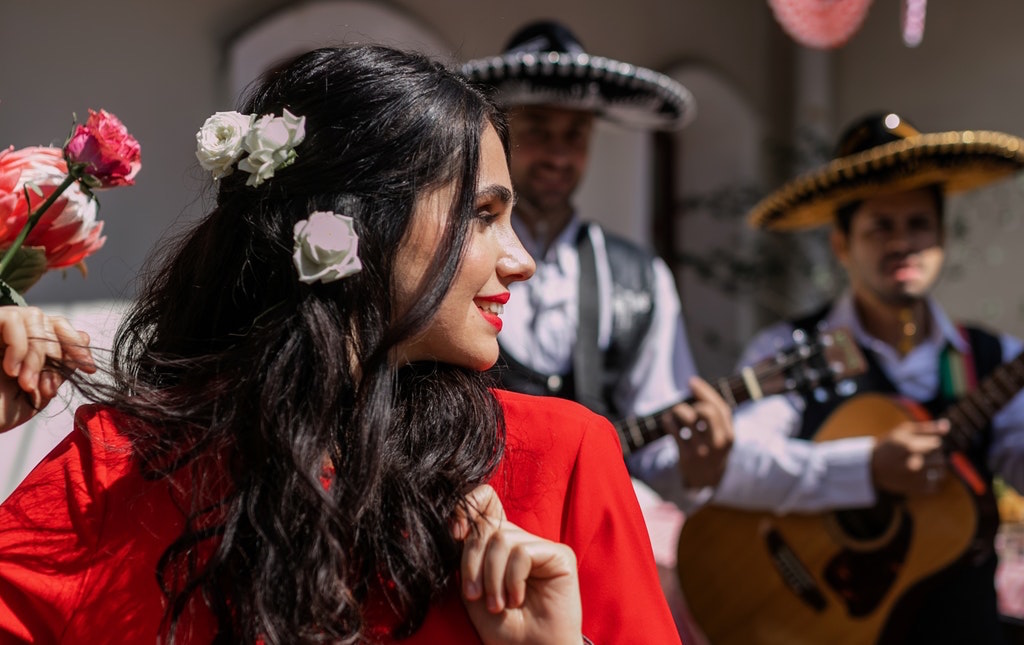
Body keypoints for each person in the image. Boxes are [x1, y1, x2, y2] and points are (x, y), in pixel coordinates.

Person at [0, 45, 681, 644]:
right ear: (359, 222)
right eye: (482, 216)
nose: (521, 258)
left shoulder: (561, 460)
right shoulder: (120, 465)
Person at [695, 112, 1024, 643]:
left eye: (918, 224)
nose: (903, 243)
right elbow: (737, 466)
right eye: (881, 227)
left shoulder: (994, 358)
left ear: (941, 236)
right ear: (842, 244)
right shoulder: (790, 349)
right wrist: (867, 469)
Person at [459, 21, 734, 637]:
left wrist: (700, 463)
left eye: (575, 136)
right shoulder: (451, 259)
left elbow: (660, 439)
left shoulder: (640, 276)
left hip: (596, 523)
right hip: (471, 518)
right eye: (538, 133)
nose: (558, 154)